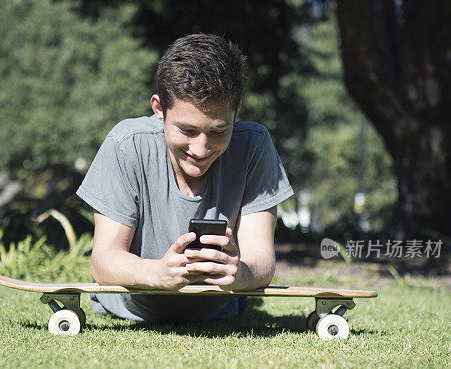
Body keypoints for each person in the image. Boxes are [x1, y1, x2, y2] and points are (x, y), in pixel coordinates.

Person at [76, 33, 293, 322]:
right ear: (159, 109)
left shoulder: (254, 145)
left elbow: (262, 259)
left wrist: (239, 273)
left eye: (218, 131)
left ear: (236, 111)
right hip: (128, 313)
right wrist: (159, 273)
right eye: (188, 131)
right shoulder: (126, 145)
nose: (201, 149)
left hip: (222, 313)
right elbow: (104, 261)